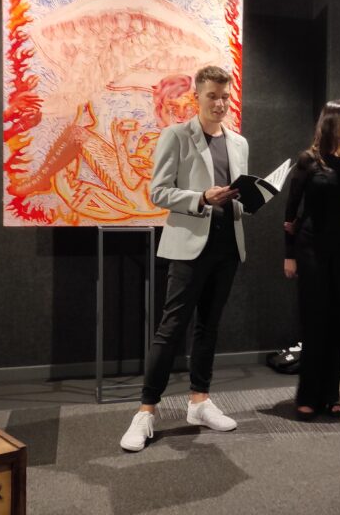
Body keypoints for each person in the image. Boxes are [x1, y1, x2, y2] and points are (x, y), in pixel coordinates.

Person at [120, 65, 248, 451]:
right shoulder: (176, 136)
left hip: (228, 246)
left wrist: (250, 198)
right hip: (189, 246)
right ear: (197, 97)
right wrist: (201, 198)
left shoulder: (239, 143)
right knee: (171, 328)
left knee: (209, 327)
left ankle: (200, 402)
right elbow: (158, 192)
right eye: (212, 96)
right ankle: (145, 411)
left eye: (225, 97)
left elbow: (238, 197)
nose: (220, 103)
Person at [283, 100, 340, 421]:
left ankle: (331, 394)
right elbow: (291, 212)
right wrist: (289, 254)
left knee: (338, 318)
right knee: (314, 319)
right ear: (330, 121)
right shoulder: (308, 160)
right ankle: (307, 395)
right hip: (310, 245)